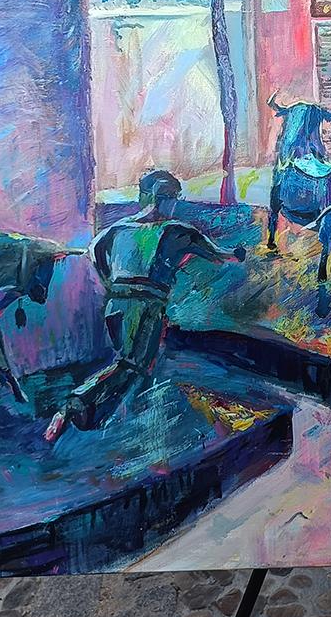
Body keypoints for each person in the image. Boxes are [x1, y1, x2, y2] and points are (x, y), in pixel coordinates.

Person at [44, 171, 245, 441]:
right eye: (173, 198)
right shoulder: (177, 231)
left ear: (143, 197)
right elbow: (221, 256)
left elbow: (96, 259)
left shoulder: (114, 230)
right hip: (146, 308)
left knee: (130, 365)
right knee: (133, 366)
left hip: (116, 305)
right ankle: (74, 405)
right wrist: (238, 254)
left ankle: (98, 417)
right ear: (170, 199)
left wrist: (117, 286)